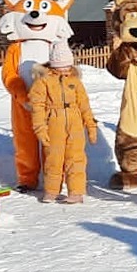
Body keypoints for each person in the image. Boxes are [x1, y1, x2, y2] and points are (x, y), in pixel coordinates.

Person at [28, 41, 98, 204]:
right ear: (53, 65)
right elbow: (37, 106)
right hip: (54, 122)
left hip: (75, 123)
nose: (65, 70)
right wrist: (40, 128)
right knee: (54, 158)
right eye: (61, 66)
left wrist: (91, 126)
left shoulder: (75, 81)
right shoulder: (43, 82)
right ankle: (52, 191)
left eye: (68, 66)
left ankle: (76, 192)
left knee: (76, 158)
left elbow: (84, 105)